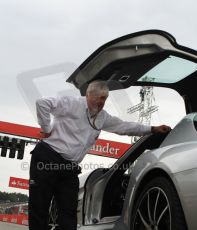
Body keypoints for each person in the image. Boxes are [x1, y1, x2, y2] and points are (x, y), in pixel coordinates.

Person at [28, 80, 171, 230]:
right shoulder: (71, 103)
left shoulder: (102, 117)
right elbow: (42, 103)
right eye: (97, 97)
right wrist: (46, 128)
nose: (100, 101)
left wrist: (152, 129)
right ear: (88, 95)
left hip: (69, 168)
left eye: (104, 98)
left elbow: (124, 127)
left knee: (69, 210)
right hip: (47, 158)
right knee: (39, 206)